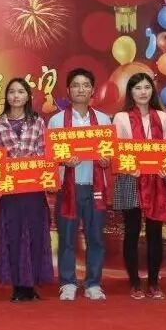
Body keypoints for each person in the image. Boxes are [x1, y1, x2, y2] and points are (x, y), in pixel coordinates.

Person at [47, 68, 112, 302]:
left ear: (92, 90)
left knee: (95, 238)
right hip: (69, 187)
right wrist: (63, 160)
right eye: (76, 85)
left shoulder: (103, 120)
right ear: (68, 90)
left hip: (95, 187)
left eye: (85, 85)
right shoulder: (56, 120)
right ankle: (67, 283)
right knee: (67, 238)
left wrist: (105, 160)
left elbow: (109, 155)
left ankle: (93, 283)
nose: (81, 89)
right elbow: (50, 156)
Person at [0, 78, 54, 302]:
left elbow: (44, 153)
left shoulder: (38, 122)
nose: (16, 96)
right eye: (12, 92)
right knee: (13, 236)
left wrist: (39, 173)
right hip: (9, 190)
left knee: (34, 236)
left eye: (20, 92)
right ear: (6, 96)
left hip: (33, 189)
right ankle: (17, 286)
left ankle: (31, 284)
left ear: (28, 96)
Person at [112, 72, 166, 300]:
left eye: (147, 87)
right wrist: (130, 168)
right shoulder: (121, 117)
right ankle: (135, 283)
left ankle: (154, 282)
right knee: (132, 231)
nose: (143, 92)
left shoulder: (162, 117)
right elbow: (117, 150)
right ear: (130, 92)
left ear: (152, 91)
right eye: (137, 88)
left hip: (157, 179)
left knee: (155, 232)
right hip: (131, 178)